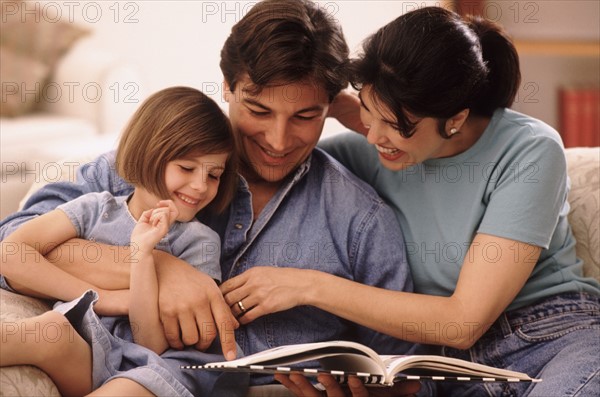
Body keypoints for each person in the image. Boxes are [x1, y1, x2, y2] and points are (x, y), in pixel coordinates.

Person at [0, 0, 418, 393]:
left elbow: (410, 367)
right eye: (258, 111)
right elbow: (13, 242)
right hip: (99, 356)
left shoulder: (360, 219)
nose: (278, 140)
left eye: (306, 117)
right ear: (228, 87)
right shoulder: (152, 162)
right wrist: (162, 269)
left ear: (330, 106)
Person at [272, 6, 600, 397]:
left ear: (454, 119)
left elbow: (463, 322)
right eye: (368, 115)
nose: (374, 137)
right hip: (441, 370)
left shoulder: (529, 151)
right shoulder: (361, 154)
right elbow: (228, 166)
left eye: (394, 125)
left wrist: (308, 287)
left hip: (550, 338)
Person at [0, 86, 247, 397]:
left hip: (155, 364)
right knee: (52, 330)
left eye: (214, 175)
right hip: (91, 351)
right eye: (186, 168)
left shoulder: (199, 241)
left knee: (128, 386)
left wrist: (142, 257)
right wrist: (102, 296)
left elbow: (151, 344)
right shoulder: (94, 209)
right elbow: (10, 253)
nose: (200, 186)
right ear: (148, 153)